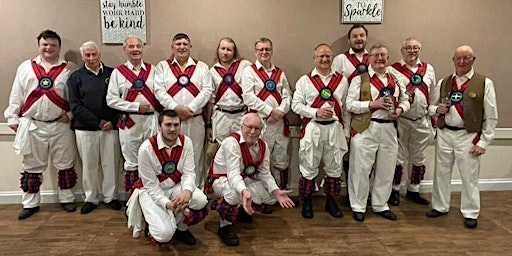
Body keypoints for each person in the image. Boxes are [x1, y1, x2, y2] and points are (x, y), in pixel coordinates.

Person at [4, 29, 78, 219]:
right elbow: (16, 93)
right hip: (33, 124)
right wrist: (12, 117)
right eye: (45, 44)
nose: (48, 48)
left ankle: (67, 199)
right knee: (31, 165)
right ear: (39, 46)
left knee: (65, 163)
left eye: (53, 45)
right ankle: (30, 203)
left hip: (61, 125)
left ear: (59, 47)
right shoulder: (26, 67)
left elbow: (76, 98)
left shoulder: (70, 69)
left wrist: (70, 114)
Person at [426, 45, 498, 229]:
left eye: (466, 58)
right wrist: (437, 110)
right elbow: (430, 108)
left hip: (468, 136)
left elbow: (491, 116)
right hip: (445, 133)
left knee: (469, 176)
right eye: (459, 58)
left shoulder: (484, 83)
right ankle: (440, 206)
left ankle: (470, 212)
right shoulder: (444, 82)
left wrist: (484, 142)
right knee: (441, 173)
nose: (462, 62)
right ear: (453, 59)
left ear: (473, 60)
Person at [209, 113, 295, 246]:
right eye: (249, 127)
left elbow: (265, 173)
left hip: (244, 179)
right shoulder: (231, 143)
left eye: (257, 128)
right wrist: (244, 191)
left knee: (270, 198)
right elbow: (233, 174)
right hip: (222, 180)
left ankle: (241, 210)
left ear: (262, 130)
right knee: (234, 194)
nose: (253, 132)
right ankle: (224, 226)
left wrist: (276, 191)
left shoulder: (263, 146)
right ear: (241, 127)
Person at [346, 43, 410, 222]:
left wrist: (400, 110)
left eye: (383, 55)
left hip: (389, 128)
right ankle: (358, 206)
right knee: (360, 169)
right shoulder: (360, 79)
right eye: (376, 56)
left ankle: (381, 205)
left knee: (386, 169)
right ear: (369, 59)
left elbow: (405, 100)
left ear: (388, 58)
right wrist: (372, 104)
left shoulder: (396, 79)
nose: (380, 59)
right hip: (366, 128)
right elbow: (349, 104)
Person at [131, 110, 208, 246]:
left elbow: (189, 172)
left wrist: (187, 191)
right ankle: (152, 222)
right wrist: (168, 204)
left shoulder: (187, 142)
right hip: (151, 192)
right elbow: (150, 185)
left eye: (176, 125)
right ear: (159, 126)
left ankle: (181, 228)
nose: (172, 129)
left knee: (200, 200)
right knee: (164, 235)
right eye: (168, 125)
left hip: (175, 186)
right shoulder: (146, 149)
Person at [291, 43, 350, 219]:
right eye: (321, 56)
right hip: (313, 128)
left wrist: (346, 131)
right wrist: (315, 112)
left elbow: (346, 108)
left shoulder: (342, 80)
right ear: (314, 58)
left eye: (328, 56)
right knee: (308, 166)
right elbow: (295, 105)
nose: (324, 59)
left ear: (332, 58)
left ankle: (331, 201)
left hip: (335, 129)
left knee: (334, 167)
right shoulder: (304, 80)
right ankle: (307, 201)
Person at [67, 41, 122, 214]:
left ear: (100, 54)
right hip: (85, 129)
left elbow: (119, 100)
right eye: (87, 55)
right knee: (89, 165)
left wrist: (111, 121)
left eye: (94, 54)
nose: (91, 58)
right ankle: (91, 198)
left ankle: (110, 196)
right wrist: (97, 122)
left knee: (110, 165)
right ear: (82, 56)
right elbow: (75, 106)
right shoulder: (75, 77)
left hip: (110, 127)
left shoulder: (112, 73)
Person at [154, 33, 214, 189]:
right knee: (171, 155)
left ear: (190, 46)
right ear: (172, 46)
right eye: (178, 44)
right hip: (171, 121)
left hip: (195, 120)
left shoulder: (201, 67)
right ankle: (173, 191)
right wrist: (176, 108)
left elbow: (207, 90)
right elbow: (159, 90)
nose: (181, 47)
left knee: (195, 156)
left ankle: (196, 192)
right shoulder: (162, 66)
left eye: (185, 44)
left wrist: (191, 108)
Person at [106, 36, 161, 195]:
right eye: (131, 47)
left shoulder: (154, 70)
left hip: (152, 119)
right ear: (125, 50)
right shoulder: (118, 72)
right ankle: (133, 198)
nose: (135, 49)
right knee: (132, 162)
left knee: (153, 158)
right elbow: (111, 99)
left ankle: (152, 196)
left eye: (138, 46)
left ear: (142, 48)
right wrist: (135, 106)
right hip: (129, 122)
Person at [387, 37, 437, 206]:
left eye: (415, 48)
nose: (412, 51)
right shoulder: (392, 69)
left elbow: (433, 95)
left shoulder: (428, 69)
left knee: (418, 157)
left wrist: (433, 116)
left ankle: (413, 190)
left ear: (420, 50)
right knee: (397, 157)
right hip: (402, 120)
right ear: (402, 51)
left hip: (422, 120)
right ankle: (394, 190)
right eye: (408, 48)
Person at [241, 37, 292, 196]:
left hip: (279, 123)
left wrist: (280, 112)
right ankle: (262, 197)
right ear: (255, 52)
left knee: (281, 159)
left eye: (267, 49)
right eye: (261, 49)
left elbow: (287, 96)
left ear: (272, 51)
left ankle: (281, 193)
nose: (264, 52)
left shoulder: (279, 72)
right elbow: (248, 97)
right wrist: (270, 111)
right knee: (261, 160)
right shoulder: (249, 71)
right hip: (260, 124)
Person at [332, 24, 370, 204]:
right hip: (347, 113)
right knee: (348, 154)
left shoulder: (374, 58)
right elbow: (333, 84)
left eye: (362, 35)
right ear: (349, 40)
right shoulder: (341, 59)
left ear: (366, 38)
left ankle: (365, 193)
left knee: (367, 156)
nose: (359, 39)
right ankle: (350, 192)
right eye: (355, 36)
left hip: (369, 113)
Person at [206, 37, 252, 144]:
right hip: (221, 116)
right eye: (223, 48)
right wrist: (208, 125)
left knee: (242, 148)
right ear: (218, 50)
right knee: (221, 150)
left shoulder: (244, 65)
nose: (225, 52)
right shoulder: (212, 72)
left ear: (234, 52)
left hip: (241, 115)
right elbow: (210, 101)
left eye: (229, 50)